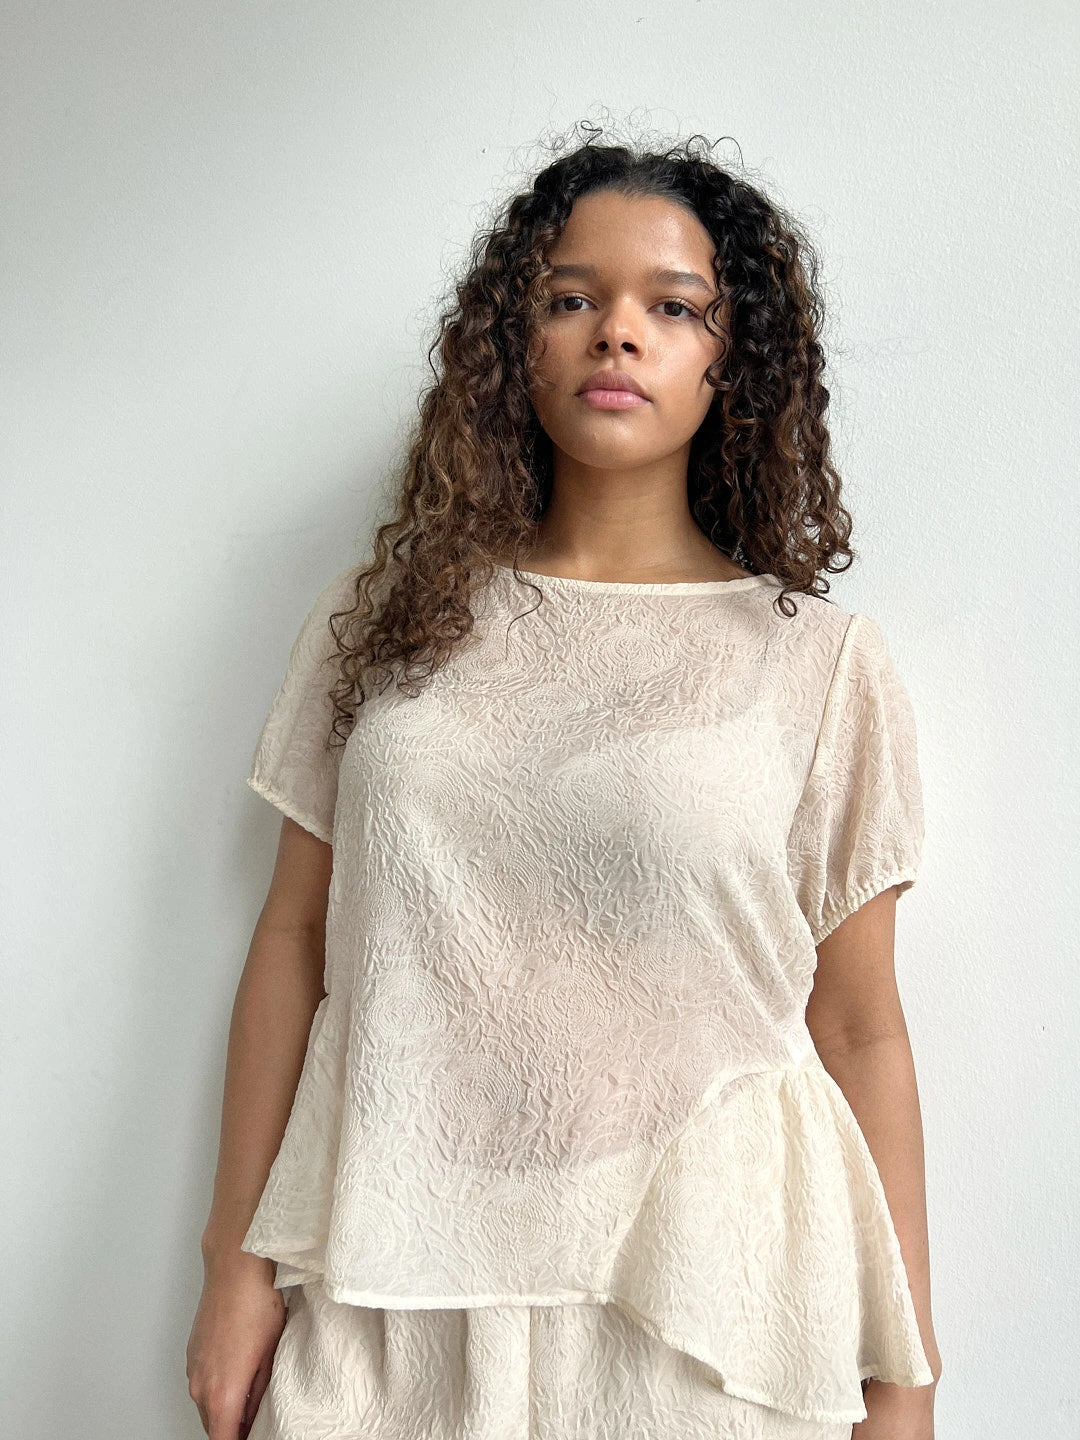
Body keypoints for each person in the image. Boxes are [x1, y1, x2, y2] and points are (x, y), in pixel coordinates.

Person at [187, 131, 943, 1440]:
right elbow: (296, 938)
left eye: (674, 306)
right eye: (571, 296)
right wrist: (232, 1269)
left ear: (735, 359)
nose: (618, 333)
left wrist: (904, 1383)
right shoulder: (383, 623)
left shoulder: (816, 664)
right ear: (512, 342)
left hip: (705, 1321)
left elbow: (862, 1027)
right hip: (392, 1280)